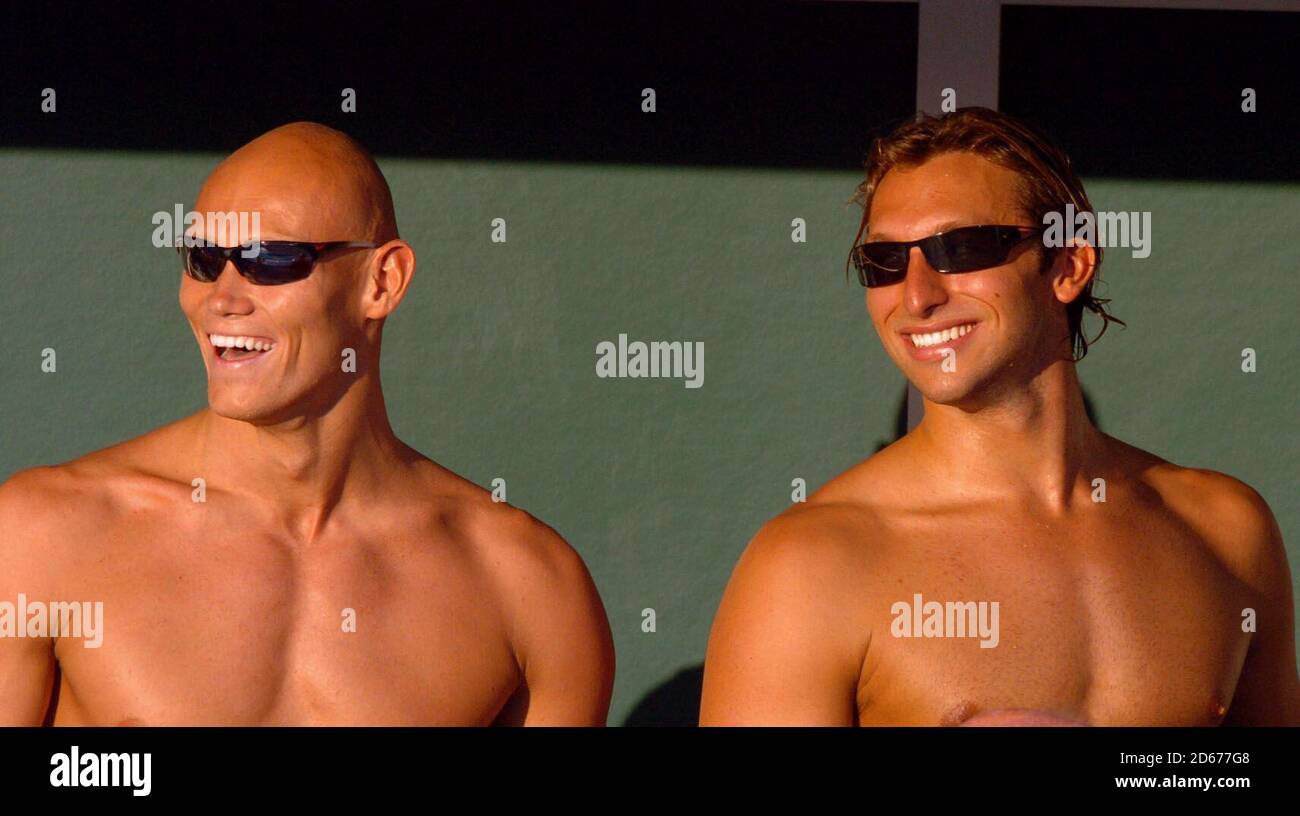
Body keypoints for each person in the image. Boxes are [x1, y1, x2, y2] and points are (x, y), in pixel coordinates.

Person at [0, 122, 615, 726]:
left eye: (271, 259)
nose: (223, 297)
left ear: (383, 281)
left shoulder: (530, 589)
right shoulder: (42, 536)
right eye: (204, 259)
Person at [700, 107, 1299, 726]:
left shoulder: (1228, 530)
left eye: (959, 248)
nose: (917, 296)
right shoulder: (808, 565)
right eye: (884, 262)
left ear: (1069, 265)